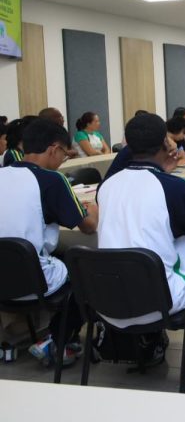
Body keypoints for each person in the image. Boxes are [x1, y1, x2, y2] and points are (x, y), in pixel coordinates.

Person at [97, 113, 185, 380]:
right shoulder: (175, 188)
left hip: (108, 301)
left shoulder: (106, 187)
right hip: (160, 300)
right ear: (166, 143)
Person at [0, 118, 99, 366]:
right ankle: (57, 340)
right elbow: (88, 227)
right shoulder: (51, 180)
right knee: (90, 273)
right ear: (54, 149)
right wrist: (93, 209)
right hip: (34, 281)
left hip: (4, 280)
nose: (63, 160)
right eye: (64, 154)